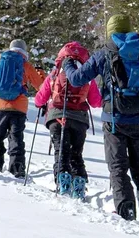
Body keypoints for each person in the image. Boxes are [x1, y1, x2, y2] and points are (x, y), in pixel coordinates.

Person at [65, 14, 139, 224]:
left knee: (118, 167)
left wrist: (68, 66)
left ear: (110, 31)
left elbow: (77, 79)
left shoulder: (104, 54)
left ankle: (126, 212)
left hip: (114, 120)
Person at [34, 41, 102, 200]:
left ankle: (62, 179)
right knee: (76, 153)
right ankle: (79, 180)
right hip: (79, 119)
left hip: (57, 117)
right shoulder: (85, 75)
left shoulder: (55, 73)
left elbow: (40, 98)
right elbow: (95, 101)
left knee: (61, 150)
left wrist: (40, 104)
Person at [0, 38, 45, 179]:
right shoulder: (26, 65)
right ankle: (17, 169)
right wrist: (41, 74)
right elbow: (41, 86)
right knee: (16, 138)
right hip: (18, 108)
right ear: (24, 51)